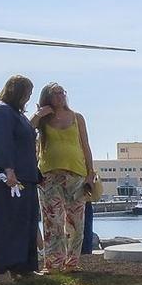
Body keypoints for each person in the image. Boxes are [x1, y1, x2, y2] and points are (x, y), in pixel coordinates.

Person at [0, 76, 41, 283]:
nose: (28, 98)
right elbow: (1, 142)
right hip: (10, 177)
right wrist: (8, 170)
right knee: (7, 222)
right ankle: (0, 269)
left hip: (26, 175)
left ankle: (22, 266)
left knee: (26, 222)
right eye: (27, 94)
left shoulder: (14, 113)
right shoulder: (1, 111)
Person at [32, 84, 96, 273]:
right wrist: (39, 115)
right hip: (49, 175)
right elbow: (26, 130)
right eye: (55, 93)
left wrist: (90, 172)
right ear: (47, 97)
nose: (60, 96)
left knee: (76, 221)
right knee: (53, 220)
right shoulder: (43, 119)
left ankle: (72, 262)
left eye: (62, 93)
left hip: (76, 173)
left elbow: (85, 145)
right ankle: (53, 264)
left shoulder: (77, 117)